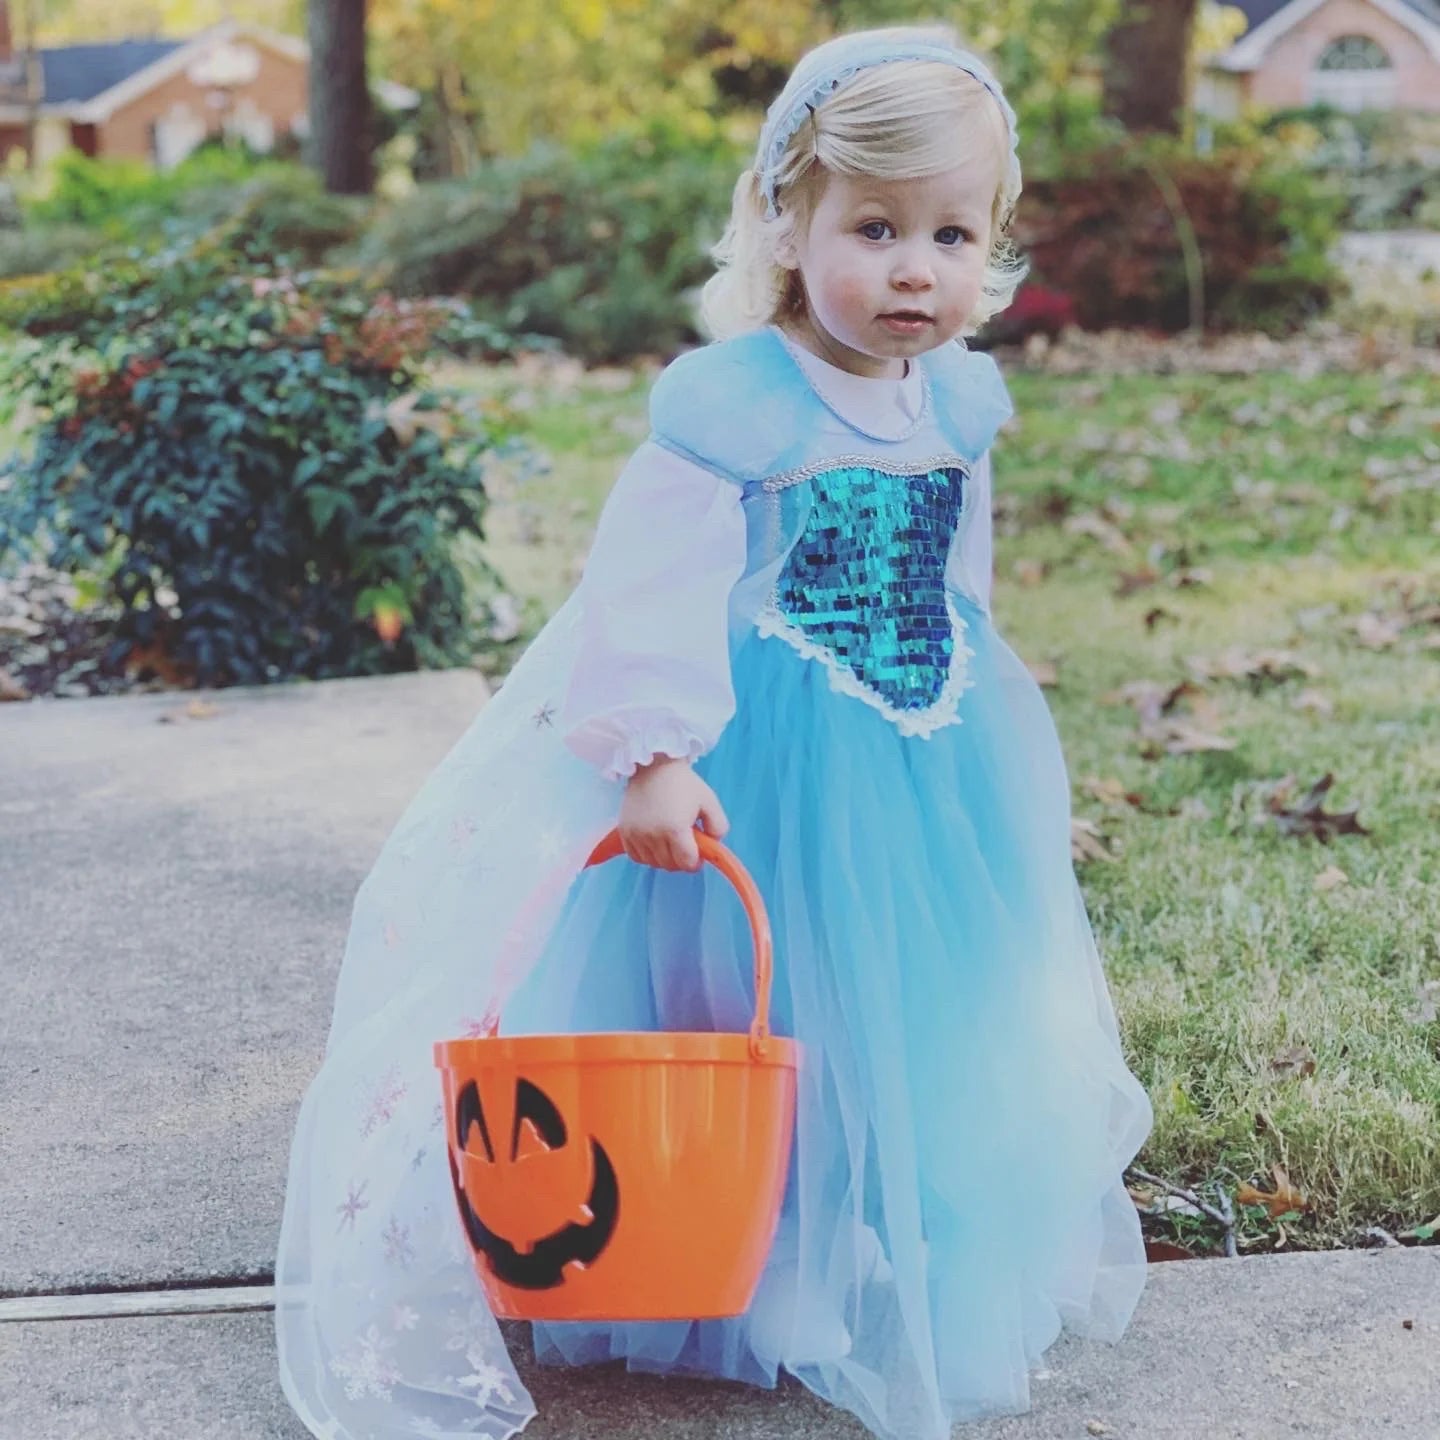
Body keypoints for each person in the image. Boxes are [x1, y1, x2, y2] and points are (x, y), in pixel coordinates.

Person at [275, 23, 1154, 1440]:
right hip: (769, 759)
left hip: (924, 751)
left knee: (928, 1014)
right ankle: (763, 1254)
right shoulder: (736, 407)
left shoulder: (960, 404)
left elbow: (956, 577)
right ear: (787, 220)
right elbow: (650, 588)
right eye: (875, 228)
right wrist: (657, 749)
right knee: (758, 1006)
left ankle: (882, 1236)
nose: (917, 267)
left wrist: (982, 704)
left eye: (953, 231)